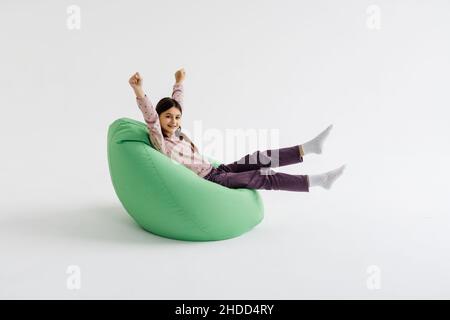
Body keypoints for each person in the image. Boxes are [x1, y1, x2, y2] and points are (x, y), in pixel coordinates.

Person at [128, 69, 345, 192]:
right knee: (264, 176)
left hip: (218, 169)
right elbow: (150, 117)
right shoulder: (161, 140)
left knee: (259, 157)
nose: (174, 121)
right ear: (159, 118)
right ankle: (318, 180)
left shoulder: (177, 133)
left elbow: (177, 103)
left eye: (177, 117)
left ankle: (308, 148)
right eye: (168, 117)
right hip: (211, 181)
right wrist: (138, 90)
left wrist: (179, 82)